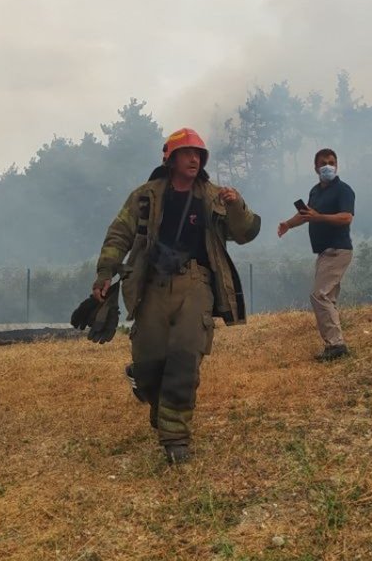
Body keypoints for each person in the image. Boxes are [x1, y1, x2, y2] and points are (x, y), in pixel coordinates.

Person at [92, 127, 260, 464]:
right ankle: (156, 401)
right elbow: (119, 233)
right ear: (171, 158)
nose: (194, 159)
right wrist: (104, 273)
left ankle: (175, 439)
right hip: (152, 284)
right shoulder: (145, 196)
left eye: (199, 154)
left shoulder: (214, 196)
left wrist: (237, 205)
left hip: (196, 283)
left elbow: (246, 232)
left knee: (184, 358)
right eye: (187, 153)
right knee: (149, 363)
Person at [277, 148, 355, 361]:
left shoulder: (344, 190)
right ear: (315, 167)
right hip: (323, 252)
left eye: (331, 162)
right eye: (323, 163)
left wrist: (319, 217)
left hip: (338, 250)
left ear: (337, 165)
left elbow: (346, 218)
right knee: (327, 297)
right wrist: (288, 224)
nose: (327, 166)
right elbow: (305, 215)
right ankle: (336, 344)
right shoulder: (315, 191)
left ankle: (336, 345)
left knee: (319, 295)